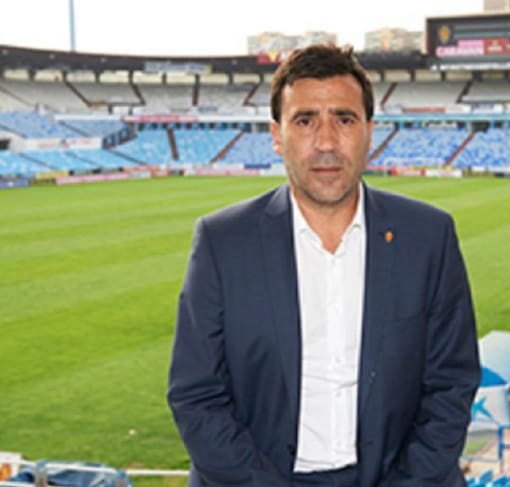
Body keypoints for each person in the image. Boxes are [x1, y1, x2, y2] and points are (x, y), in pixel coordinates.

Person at [167, 44, 480, 487]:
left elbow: (451, 385)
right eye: (305, 120)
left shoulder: (429, 237)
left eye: (344, 119)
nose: (327, 142)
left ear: (369, 131)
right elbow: (196, 396)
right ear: (277, 136)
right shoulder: (222, 242)